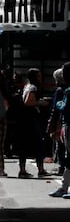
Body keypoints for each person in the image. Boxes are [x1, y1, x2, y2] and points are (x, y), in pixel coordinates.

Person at [17, 68, 50, 178]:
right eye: (39, 76)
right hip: (31, 119)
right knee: (38, 143)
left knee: (25, 144)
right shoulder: (33, 87)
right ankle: (39, 169)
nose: (40, 78)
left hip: (25, 119)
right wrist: (40, 102)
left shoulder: (27, 86)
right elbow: (27, 102)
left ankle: (23, 170)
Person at [49, 62, 70, 198]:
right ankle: (64, 186)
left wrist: (58, 103)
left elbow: (64, 107)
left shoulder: (67, 91)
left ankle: (64, 187)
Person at [46, 68, 66, 176]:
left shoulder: (59, 90)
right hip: (64, 120)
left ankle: (62, 167)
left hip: (60, 121)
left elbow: (56, 108)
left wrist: (51, 123)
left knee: (60, 145)